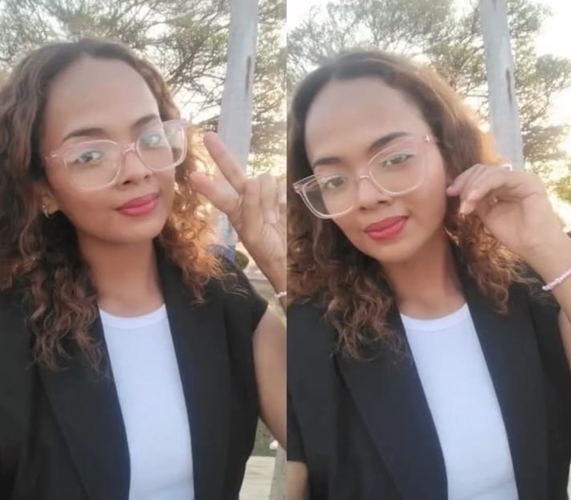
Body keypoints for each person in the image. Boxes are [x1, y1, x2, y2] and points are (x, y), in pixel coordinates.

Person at [0, 38, 286, 500]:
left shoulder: (221, 294)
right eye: (89, 155)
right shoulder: (12, 328)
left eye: (150, 138)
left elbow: (335, 443)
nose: (136, 170)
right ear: (42, 189)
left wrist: (283, 266)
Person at [286, 50, 571, 500]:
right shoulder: (309, 334)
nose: (367, 197)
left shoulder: (532, 297)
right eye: (334, 181)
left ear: (449, 152)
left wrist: (549, 248)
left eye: (394, 158)